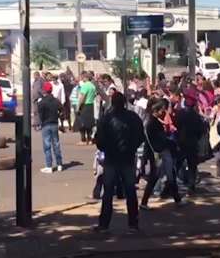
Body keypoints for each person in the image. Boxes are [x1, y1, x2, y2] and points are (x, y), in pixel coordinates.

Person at [94, 93, 145, 232]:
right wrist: (132, 147)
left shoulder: (106, 118)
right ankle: (133, 223)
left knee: (108, 191)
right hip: (127, 157)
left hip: (111, 157)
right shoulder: (133, 117)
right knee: (130, 191)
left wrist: (106, 149)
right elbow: (141, 136)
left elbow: (99, 139)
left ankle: (104, 223)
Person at [140, 99, 183, 210]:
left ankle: (176, 199)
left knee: (167, 176)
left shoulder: (151, 122)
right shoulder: (153, 123)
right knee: (164, 176)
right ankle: (145, 202)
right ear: (157, 111)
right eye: (162, 110)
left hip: (157, 153)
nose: (164, 112)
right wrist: (172, 143)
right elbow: (160, 139)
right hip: (159, 152)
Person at [175, 89, 205, 195]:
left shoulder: (180, 114)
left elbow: (176, 126)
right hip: (192, 143)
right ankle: (191, 186)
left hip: (181, 142)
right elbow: (201, 130)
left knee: (177, 164)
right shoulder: (196, 116)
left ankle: (170, 185)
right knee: (192, 166)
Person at [38, 82, 64, 174]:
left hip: (46, 124)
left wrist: (40, 124)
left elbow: (40, 115)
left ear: (44, 90)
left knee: (47, 145)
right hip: (54, 123)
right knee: (56, 144)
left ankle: (49, 166)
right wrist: (58, 115)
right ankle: (59, 164)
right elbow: (61, 110)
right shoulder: (56, 101)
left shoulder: (42, 102)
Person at [78, 72, 97, 145]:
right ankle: (89, 139)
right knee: (89, 123)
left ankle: (83, 139)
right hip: (91, 104)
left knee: (82, 123)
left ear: (85, 77)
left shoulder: (85, 86)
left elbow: (82, 96)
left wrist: (79, 106)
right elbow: (95, 95)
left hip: (85, 105)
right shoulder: (92, 86)